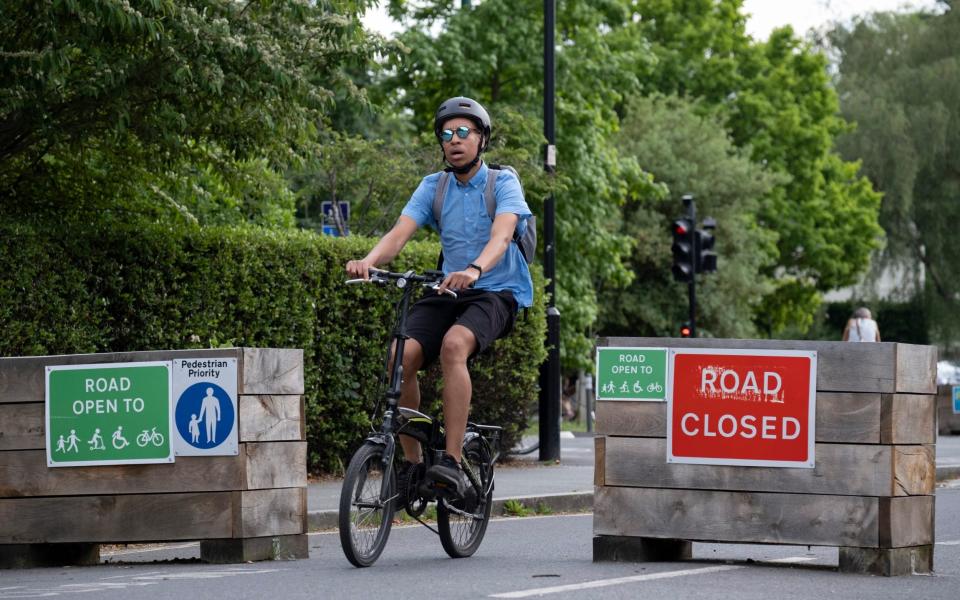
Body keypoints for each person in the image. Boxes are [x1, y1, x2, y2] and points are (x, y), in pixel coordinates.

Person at [345, 96, 533, 498]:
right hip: (448, 289)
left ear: (482, 139)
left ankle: (450, 460)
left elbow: (502, 237)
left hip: (496, 291)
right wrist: (368, 260)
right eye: (447, 134)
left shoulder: (503, 183)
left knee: (454, 345)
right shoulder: (435, 186)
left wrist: (474, 269)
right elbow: (400, 232)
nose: (454, 140)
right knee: (401, 356)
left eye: (464, 132)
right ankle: (413, 465)